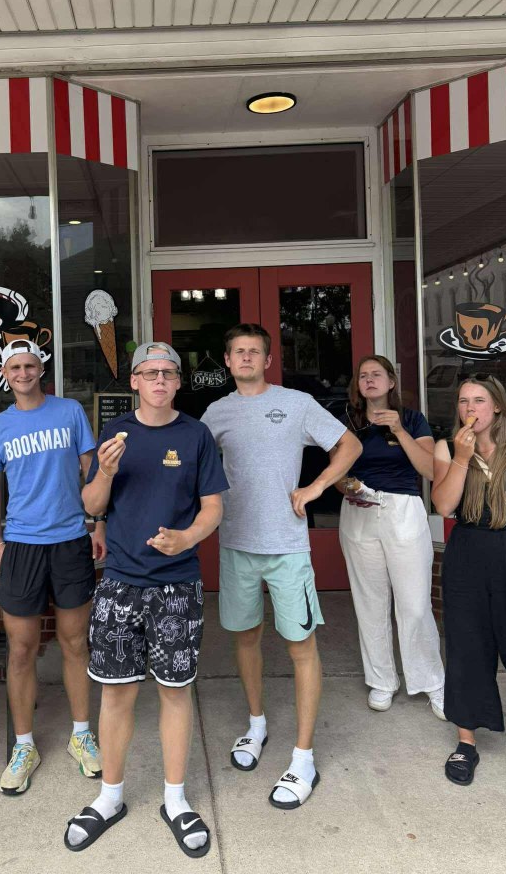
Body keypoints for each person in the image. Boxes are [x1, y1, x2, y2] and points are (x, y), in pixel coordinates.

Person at [64, 342, 228, 857]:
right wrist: (106, 472)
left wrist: (187, 538)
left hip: (177, 583)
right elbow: (91, 505)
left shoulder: (196, 435)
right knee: (116, 693)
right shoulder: (115, 434)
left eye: (168, 373)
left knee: (175, 691)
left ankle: (175, 799)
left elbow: (213, 507)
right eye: (150, 372)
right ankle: (109, 796)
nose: (159, 380)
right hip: (120, 581)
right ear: (134, 381)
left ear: (178, 382)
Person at [200, 323, 361, 809]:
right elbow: (191, 464)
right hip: (236, 543)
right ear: (228, 361)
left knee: (300, 646)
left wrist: (316, 487)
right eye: (238, 351)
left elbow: (350, 445)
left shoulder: (296, 403)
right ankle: (256, 726)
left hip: (288, 546)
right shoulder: (217, 412)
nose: (246, 357)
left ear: (268, 360)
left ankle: (304, 757)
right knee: (245, 637)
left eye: (255, 351)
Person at [0, 339, 104, 795]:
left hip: (70, 540)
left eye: (30, 365)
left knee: (74, 643)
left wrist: (99, 523)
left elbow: (92, 471)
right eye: (15, 367)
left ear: (41, 369)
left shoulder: (69, 412)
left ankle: (81, 735)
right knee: (21, 649)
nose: (23, 373)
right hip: (21, 546)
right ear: (5, 374)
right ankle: (24, 745)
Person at [337, 355, 444, 717]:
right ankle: (382, 680)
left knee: (415, 603)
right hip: (359, 512)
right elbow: (337, 473)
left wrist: (399, 430)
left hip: (403, 510)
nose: (369, 380)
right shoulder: (348, 422)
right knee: (370, 603)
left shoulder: (411, 419)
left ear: (391, 381)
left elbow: (430, 470)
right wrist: (348, 488)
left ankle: (431, 680)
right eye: (363, 375)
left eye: (376, 374)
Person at [432, 373, 506, 786]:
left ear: (496, 405)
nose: (470, 408)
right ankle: (466, 743)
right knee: (466, 647)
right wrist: (462, 458)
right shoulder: (447, 448)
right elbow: (445, 505)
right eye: (463, 401)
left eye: (479, 400)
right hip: (467, 554)